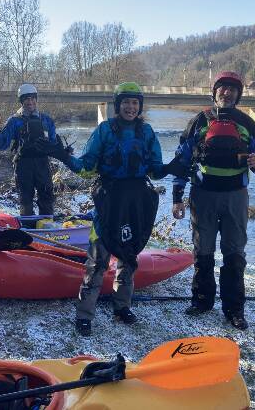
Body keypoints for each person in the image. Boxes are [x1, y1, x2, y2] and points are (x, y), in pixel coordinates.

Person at [47, 82, 166, 337]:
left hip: (136, 200)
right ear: (117, 105)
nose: (130, 107)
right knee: (98, 259)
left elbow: (156, 170)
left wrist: (174, 167)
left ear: (140, 106)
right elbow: (87, 167)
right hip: (109, 199)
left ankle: (122, 306)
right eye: (126, 102)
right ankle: (84, 315)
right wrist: (64, 156)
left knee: (129, 256)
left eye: (135, 103)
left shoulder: (146, 132)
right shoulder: (104, 131)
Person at [171, 71, 255, 330]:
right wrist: (177, 197)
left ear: (238, 95)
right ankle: (202, 301)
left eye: (232, 89)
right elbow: (182, 159)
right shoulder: (199, 121)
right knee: (202, 251)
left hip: (235, 197)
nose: (226, 93)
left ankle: (234, 310)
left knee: (234, 254)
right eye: (222, 88)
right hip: (202, 196)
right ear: (214, 92)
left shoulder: (246, 123)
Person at [0, 84, 57, 216]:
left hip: (42, 164)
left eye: (33, 98)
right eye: (27, 99)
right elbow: (2, 145)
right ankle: (27, 230)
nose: (30, 102)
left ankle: (48, 226)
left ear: (36, 99)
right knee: (25, 200)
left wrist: (65, 152)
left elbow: (53, 144)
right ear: (22, 101)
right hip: (23, 165)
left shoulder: (46, 120)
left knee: (46, 198)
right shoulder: (14, 121)